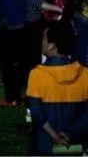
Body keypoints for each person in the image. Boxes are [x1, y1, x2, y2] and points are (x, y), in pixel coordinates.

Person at [26, 21, 88, 155]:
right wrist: (69, 133)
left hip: (44, 145)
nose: (42, 42)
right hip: (76, 145)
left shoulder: (36, 75)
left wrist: (55, 136)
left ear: (52, 46)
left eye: (44, 38)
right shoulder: (85, 74)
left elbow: (36, 112)